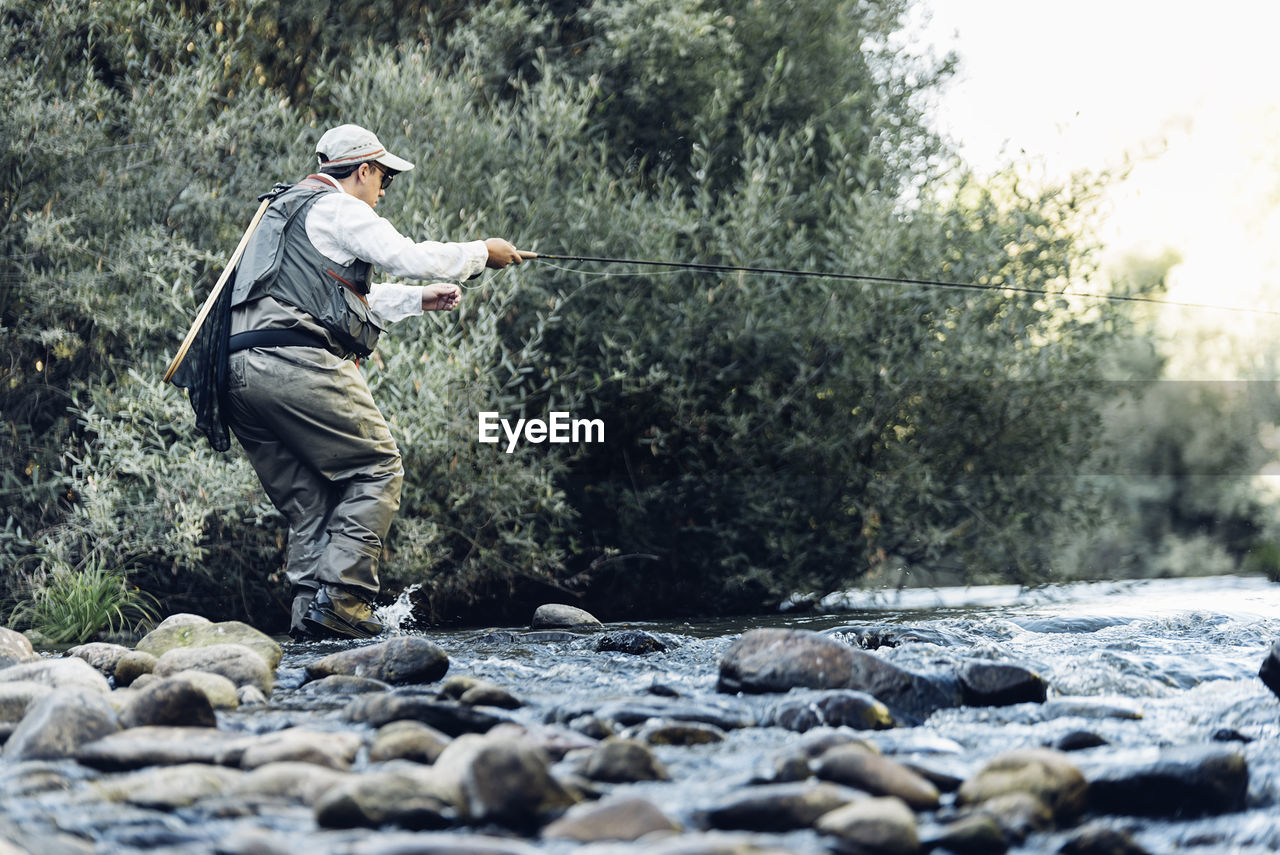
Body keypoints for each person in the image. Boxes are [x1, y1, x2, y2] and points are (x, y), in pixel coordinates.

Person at [223, 123, 532, 639]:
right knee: (377, 466)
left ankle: (311, 626)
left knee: (311, 501)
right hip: (294, 364)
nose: (384, 188)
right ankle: (344, 599)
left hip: (238, 378)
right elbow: (407, 255)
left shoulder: (282, 213)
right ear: (362, 170)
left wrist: (416, 299)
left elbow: (316, 300)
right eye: (383, 175)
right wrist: (483, 253)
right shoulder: (341, 207)